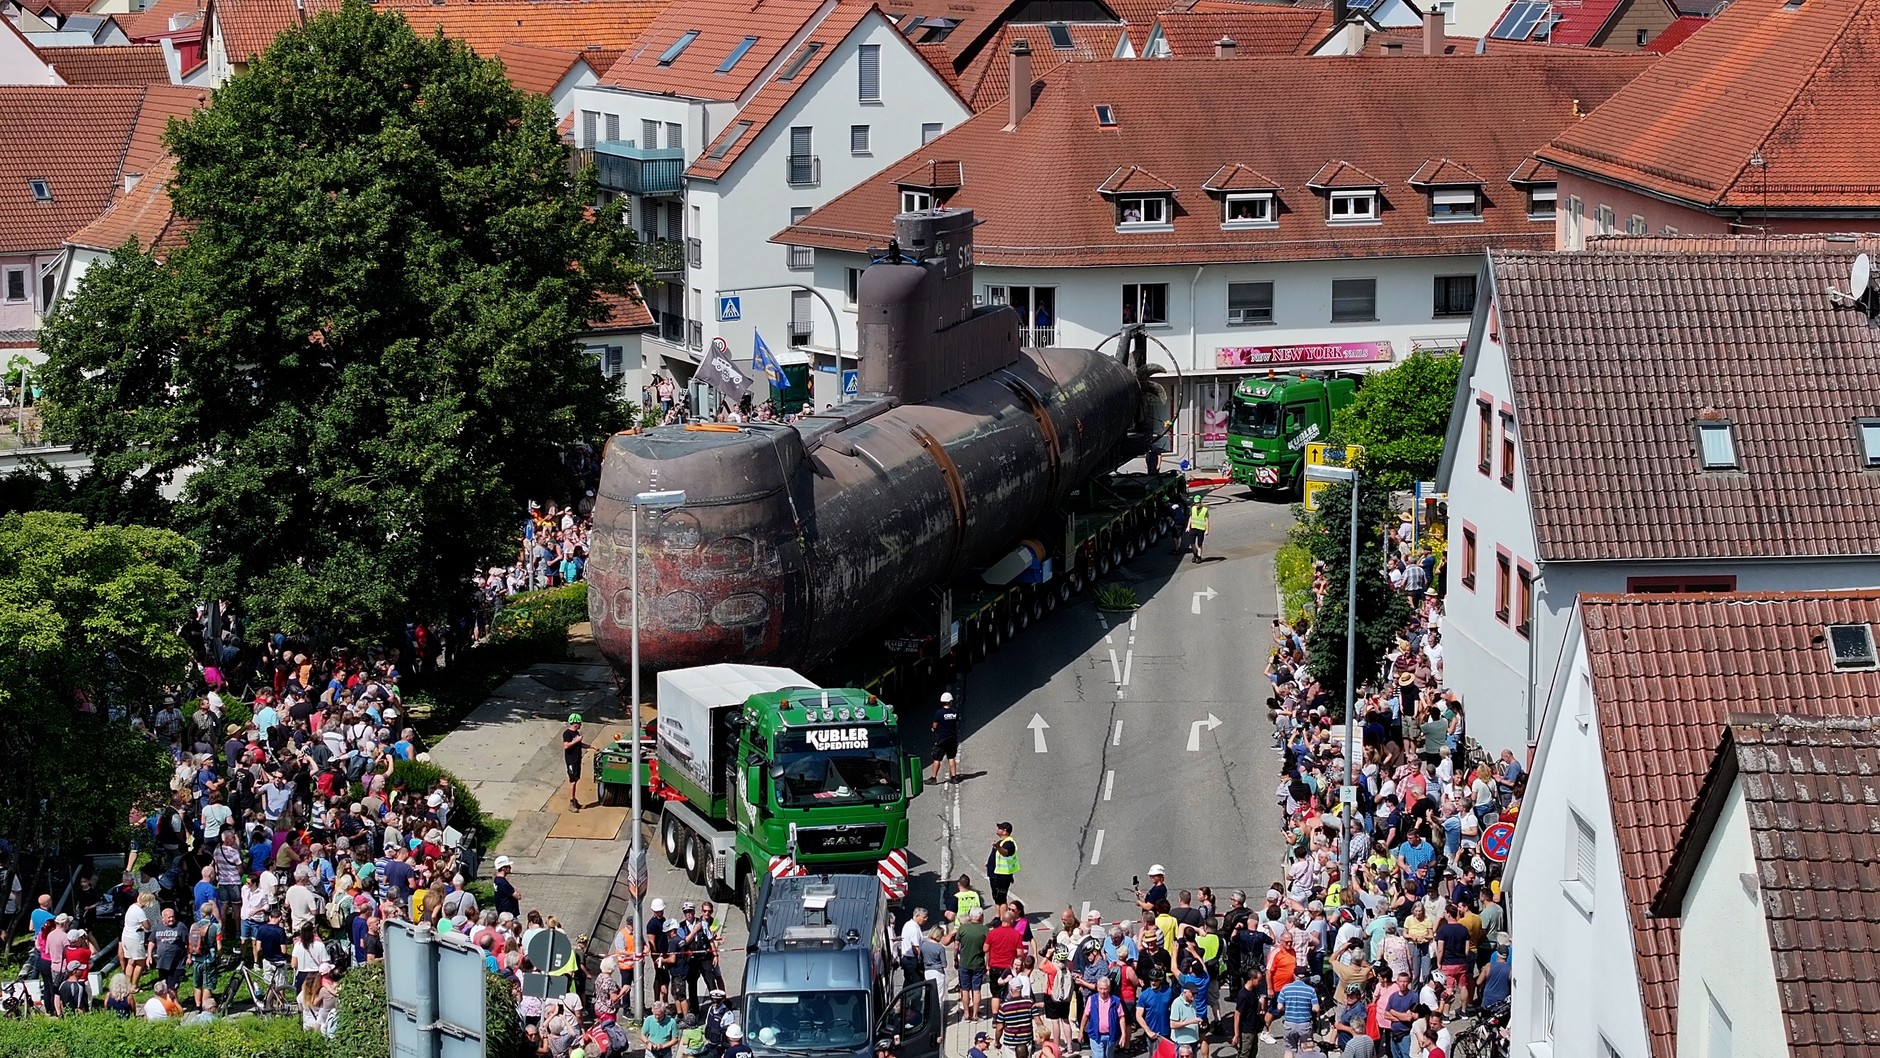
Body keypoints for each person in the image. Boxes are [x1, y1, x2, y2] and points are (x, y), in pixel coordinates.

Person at [953, 907, 990, 1022]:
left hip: (964, 963)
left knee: (965, 989)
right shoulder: (985, 930)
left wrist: (955, 959)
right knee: (976, 990)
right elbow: (987, 950)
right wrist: (987, 964)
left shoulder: (962, 929)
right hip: (978, 964)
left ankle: (966, 1014)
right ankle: (975, 1015)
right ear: (981, 917)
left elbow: (956, 946)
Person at [1080, 972, 1128, 1058]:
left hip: (1111, 1036)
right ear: (1097, 988)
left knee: (1108, 1056)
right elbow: (1085, 1016)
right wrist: (1081, 1032)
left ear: (1109, 988)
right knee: (1099, 1056)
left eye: (1105, 989)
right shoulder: (1092, 1000)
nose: (1103, 991)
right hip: (1096, 1035)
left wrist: (1123, 1034)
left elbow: (1122, 1018)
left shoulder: (1116, 1001)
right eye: (1101, 989)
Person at [1275, 971, 1318, 1058]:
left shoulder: (1285, 988)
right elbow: (1316, 1008)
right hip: (1304, 1025)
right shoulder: (1311, 990)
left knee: (1289, 1049)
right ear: (1305, 977)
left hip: (1290, 1024)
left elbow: (1279, 1007)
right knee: (1305, 1050)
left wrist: (1286, 1008)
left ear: (1294, 975)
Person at [930, 693, 961, 785]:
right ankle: (954, 777)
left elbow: (935, 725)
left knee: (937, 758)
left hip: (942, 739)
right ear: (950, 702)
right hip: (952, 738)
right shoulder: (955, 712)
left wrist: (933, 728)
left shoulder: (939, 713)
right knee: (951, 757)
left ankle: (933, 778)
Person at [987, 823, 1019, 909]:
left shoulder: (1009, 843)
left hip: (1003, 876)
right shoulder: (1001, 842)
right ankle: (998, 917)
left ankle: (1004, 919)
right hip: (995, 874)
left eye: (1000, 828)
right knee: (996, 898)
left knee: (1001, 898)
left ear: (1005, 831)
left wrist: (998, 847)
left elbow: (1005, 853)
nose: (998, 829)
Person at [563, 714, 588, 812]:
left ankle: (574, 800)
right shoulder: (567, 734)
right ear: (575, 723)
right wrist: (577, 740)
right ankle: (571, 802)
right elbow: (566, 746)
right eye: (579, 722)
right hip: (571, 761)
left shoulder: (576, 733)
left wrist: (591, 746)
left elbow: (579, 744)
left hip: (577, 760)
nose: (581, 724)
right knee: (572, 781)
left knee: (576, 779)